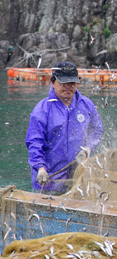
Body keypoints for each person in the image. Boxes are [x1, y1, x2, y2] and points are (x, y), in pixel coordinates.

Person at [26, 61, 103, 193]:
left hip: (78, 180)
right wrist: (40, 168)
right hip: (49, 180)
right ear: (53, 82)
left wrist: (88, 148)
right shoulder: (42, 110)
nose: (68, 87)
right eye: (63, 83)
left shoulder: (86, 105)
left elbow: (96, 131)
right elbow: (34, 143)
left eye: (72, 83)